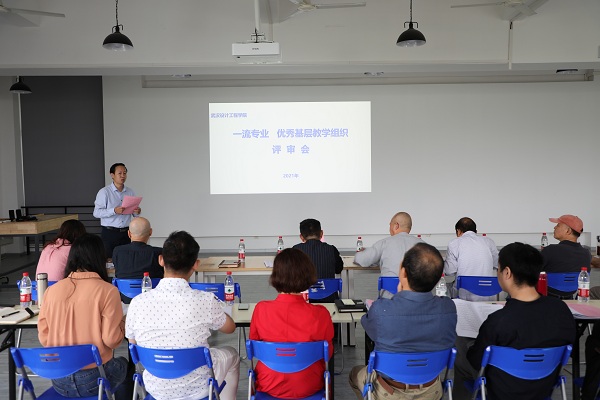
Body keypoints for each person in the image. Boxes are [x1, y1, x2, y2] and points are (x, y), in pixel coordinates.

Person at [126, 231, 239, 400]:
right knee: (232, 355)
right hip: (198, 388)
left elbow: (133, 343)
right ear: (196, 264)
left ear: (161, 260)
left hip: (156, 388)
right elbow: (230, 328)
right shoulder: (205, 300)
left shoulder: (137, 302)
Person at [465, 242, 576, 400]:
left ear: (507, 272)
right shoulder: (561, 310)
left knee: (464, 352)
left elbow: (477, 361)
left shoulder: (498, 321)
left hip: (502, 393)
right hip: (543, 390)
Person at [349, 243, 457, 400]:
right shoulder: (448, 308)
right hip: (431, 390)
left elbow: (368, 326)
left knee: (354, 373)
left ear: (403, 272)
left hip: (388, 391)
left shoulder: (382, 309)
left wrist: (398, 298)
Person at [38, 234, 128, 398]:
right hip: (94, 380)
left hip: (60, 380)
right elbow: (112, 340)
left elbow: (44, 337)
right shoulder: (108, 291)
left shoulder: (51, 291)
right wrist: (122, 322)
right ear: (100, 258)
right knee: (123, 364)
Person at [249, 248, 334, 399]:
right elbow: (328, 352)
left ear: (276, 275)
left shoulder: (261, 309)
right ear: (307, 274)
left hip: (269, 383)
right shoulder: (321, 313)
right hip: (309, 384)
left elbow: (254, 345)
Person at [354, 212, 422, 298]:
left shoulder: (385, 243)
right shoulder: (423, 246)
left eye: (390, 225)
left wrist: (361, 253)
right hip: (418, 300)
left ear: (396, 226)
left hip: (389, 300)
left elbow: (362, 260)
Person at [93, 162, 141, 259]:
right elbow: (96, 213)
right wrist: (113, 211)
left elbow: (135, 215)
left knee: (126, 259)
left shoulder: (130, 191)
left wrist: (137, 212)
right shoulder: (104, 192)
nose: (123, 176)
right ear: (112, 175)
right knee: (109, 260)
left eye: (125, 173)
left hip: (126, 233)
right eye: (120, 173)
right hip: (110, 233)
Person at [444, 217, 499, 300]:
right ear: (476, 232)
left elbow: (449, 272)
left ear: (458, 231)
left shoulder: (454, 243)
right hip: (487, 296)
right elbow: (497, 264)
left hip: (463, 296)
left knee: (444, 287)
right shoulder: (489, 242)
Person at [113, 217, 163, 303]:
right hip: (152, 300)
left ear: (129, 233)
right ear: (150, 232)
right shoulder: (159, 253)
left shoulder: (118, 251)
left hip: (125, 300)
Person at [293, 218, 343, 302]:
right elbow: (338, 269)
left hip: (304, 300)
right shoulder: (331, 249)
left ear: (301, 237)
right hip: (329, 300)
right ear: (321, 233)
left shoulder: (295, 250)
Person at [542, 214, 591, 297]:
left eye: (558, 225)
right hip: (570, 295)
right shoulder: (586, 253)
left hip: (546, 296)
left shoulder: (550, 250)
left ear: (568, 231)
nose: (554, 227)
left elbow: (531, 270)